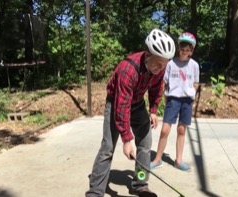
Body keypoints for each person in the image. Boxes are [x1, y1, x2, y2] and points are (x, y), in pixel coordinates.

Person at [85, 29, 175, 197]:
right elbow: (121, 107)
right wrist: (127, 138)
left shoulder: (159, 68)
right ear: (148, 55)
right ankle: (95, 191)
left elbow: (157, 88)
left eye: (165, 64)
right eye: (158, 63)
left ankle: (140, 184)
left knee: (145, 143)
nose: (161, 68)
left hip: (138, 102)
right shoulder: (128, 70)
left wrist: (153, 110)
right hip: (116, 103)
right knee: (108, 147)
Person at [150, 32, 199, 172]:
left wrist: (190, 98)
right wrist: (165, 100)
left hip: (187, 102)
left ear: (192, 50)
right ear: (179, 48)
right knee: (165, 129)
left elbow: (194, 83)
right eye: (182, 50)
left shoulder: (194, 65)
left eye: (187, 51)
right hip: (173, 99)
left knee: (181, 130)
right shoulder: (171, 64)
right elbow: (164, 83)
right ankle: (157, 159)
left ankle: (178, 160)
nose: (184, 53)